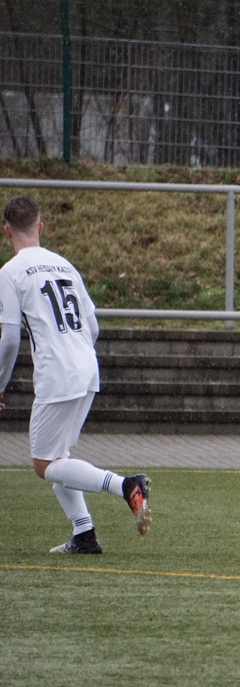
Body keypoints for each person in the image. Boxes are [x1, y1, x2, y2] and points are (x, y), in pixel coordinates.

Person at [0, 196, 150, 554]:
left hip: (57, 374)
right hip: (86, 367)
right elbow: (92, 327)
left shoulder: (10, 272)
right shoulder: (64, 265)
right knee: (60, 458)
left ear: (7, 232)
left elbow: (9, 339)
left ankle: (127, 485)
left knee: (44, 465)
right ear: (40, 227)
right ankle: (84, 534)